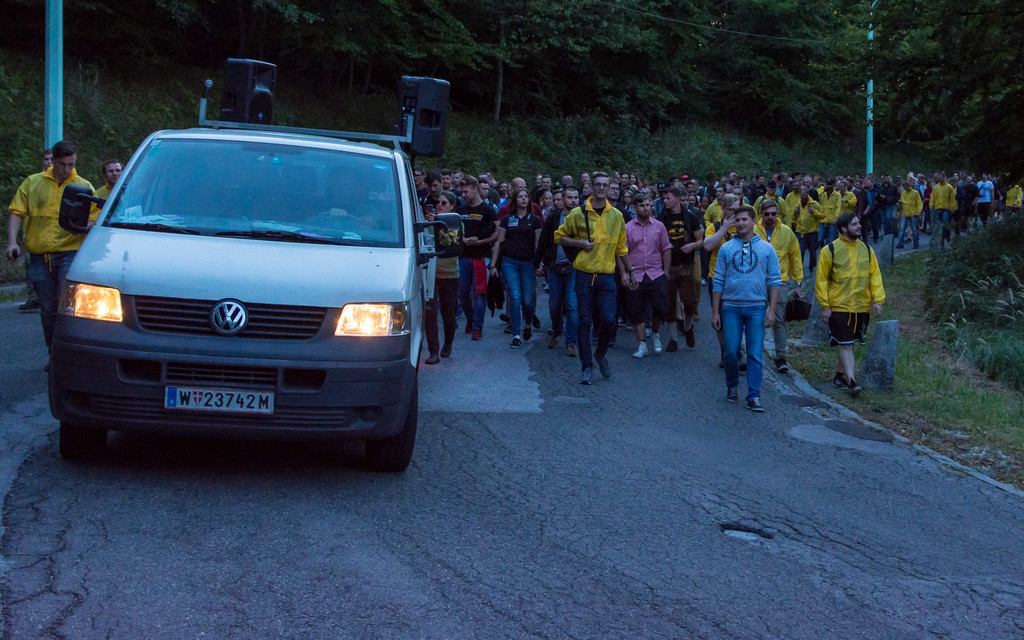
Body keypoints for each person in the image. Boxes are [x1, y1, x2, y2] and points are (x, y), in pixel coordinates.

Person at [6, 140, 98, 353]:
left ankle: (68, 353)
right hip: (40, 255)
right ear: (53, 162)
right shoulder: (33, 183)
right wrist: (12, 242)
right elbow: (17, 211)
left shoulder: (84, 186)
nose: (67, 169)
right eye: (63, 164)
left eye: (71, 164)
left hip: (69, 252)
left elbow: (96, 217)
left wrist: (88, 225)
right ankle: (53, 352)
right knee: (47, 309)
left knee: (66, 305)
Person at [554, 172, 634, 385]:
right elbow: (559, 236)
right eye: (597, 184)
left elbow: (621, 247)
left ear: (609, 188)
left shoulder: (616, 215)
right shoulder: (578, 213)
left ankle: (600, 353)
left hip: (606, 275)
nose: (601, 188)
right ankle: (586, 366)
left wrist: (629, 271)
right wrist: (580, 243)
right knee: (585, 321)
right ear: (591, 187)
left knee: (608, 319)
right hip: (584, 274)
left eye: (604, 185)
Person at [710, 206, 781, 412]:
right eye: (737, 220)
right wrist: (715, 312)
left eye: (744, 219)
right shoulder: (726, 248)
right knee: (731, 352)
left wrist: (771, 310)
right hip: (731, 307)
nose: (741, 223)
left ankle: (754, 396)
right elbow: (718, 280)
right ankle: (732, 385)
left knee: (755, 353)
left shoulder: (767, 249)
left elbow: (775, 281)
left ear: (753, 221)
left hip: (756, 307)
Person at [815, 212, 885, 397]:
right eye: (854, 224)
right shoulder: (829, 250)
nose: (859, 226)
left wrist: (877, 300)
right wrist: (825, 306)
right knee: (846, 343)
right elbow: (821, 281)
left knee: (848, 343)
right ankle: (852, 382)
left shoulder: (867, 250)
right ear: (843, 228)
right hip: (839, 306)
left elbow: (875, 277)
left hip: (861, 307)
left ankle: (839, 376)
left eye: (859, 223)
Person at [490, 187, 543, 348]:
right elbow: (499, 242)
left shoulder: (535, 220)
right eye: (520, 196)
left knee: (528, 301)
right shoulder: (507, 219)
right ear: (515, 200)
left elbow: (538, 244)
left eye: (526, 196)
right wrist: (493, 265)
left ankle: (528, 324)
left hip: (528, 263)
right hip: (509, 262)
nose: (524, 199)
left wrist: (539, 264)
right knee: (515, 297)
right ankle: (516, 334)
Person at [754, 199, 802, 373]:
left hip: (780, 281)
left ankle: (781, 357)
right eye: (766, 214)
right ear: (761, 214)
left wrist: (798, 282)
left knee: (779, 320)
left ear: (778, 214)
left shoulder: (786, 232)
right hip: (757, 281)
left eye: (773, 214)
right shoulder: (753, 231)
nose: (770, 217)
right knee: (756, 318)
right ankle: (755, 353)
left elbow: (795, 257)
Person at [624, 190, 671, 359]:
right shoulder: (627, 228)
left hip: (656, 272)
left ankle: (656, 333)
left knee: (660, 307)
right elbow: (622, 252)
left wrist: (665, 272)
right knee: (637, 309)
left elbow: (666, 248)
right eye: (642, 205)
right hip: (635, 273)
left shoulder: (659, 226)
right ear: (634, 208)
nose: (647, 208)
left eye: (649, 205)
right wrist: (624, 273)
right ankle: (642, 344)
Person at [658, 185, 704, 351]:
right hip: (669, 265)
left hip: (686, 264)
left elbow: (700, 240)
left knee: (690, 302)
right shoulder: (661, 218)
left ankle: (688, 327)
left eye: (668, 198)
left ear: (677, 199)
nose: (665, 201)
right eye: (663, 198)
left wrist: (692, 245)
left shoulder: (691, 217)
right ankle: (673, 339)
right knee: (670, 303)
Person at [536, 186, 579, 356]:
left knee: (572, 306)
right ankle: (557, 330)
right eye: (569, 197)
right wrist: (537, 263)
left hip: (574, 268)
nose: (573, 201)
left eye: (575, 197)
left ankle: (571, 341)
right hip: (554, 267)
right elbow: (543, 241)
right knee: (554, 305)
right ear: (563, 199)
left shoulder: (583, 218)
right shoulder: (554, 218)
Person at [455, 176, 499, 341]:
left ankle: (477, 327)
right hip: (464, 256)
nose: (464, 195)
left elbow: (497, 233)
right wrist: (463, 239)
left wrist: (480, 242)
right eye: (462, 192)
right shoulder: (460, 210)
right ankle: (470, 318)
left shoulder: (488, 210)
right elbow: (454, 231)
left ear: (475, 189)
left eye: (466, 191)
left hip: (481, 257)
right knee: (462, 292)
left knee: (479, 293)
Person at [423, 190, 461, 364]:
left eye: (444, 203)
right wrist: (429, 223)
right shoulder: (428, 222)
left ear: (452, 206)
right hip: (431, 273)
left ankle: (448, 343)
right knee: (430, 312)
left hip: (450, 272)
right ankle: (433, 351)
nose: (439, 205)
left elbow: (448, 243)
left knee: (448, 312)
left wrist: (437, 223)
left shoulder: (456, 223)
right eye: (438, 202)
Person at [929, 173, 957, 248]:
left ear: (944, 178)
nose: (939, 179)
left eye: (941, 177)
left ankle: (948, 239)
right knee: (938, 225)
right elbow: (932, 197)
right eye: (939, 177)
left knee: (945, 224)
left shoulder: (949, 187)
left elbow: (952, 199)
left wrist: (952, 207)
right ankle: (940, 241)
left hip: (946, 209)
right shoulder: (936, 187)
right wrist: (931, 205)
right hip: (938, 208)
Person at [895, 178, 923, 249]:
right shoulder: (903, 193)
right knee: (902, 229)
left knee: (914, 229)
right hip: (905, 213)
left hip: (913, 213)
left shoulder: (915, 193)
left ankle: (916, 243)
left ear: (909, 186)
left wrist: (919, 211)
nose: (905, 188)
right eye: (904, 187)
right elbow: (901, 201)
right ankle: (900, 243)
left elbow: (919, 203)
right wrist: (899, 203)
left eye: (906, 187)